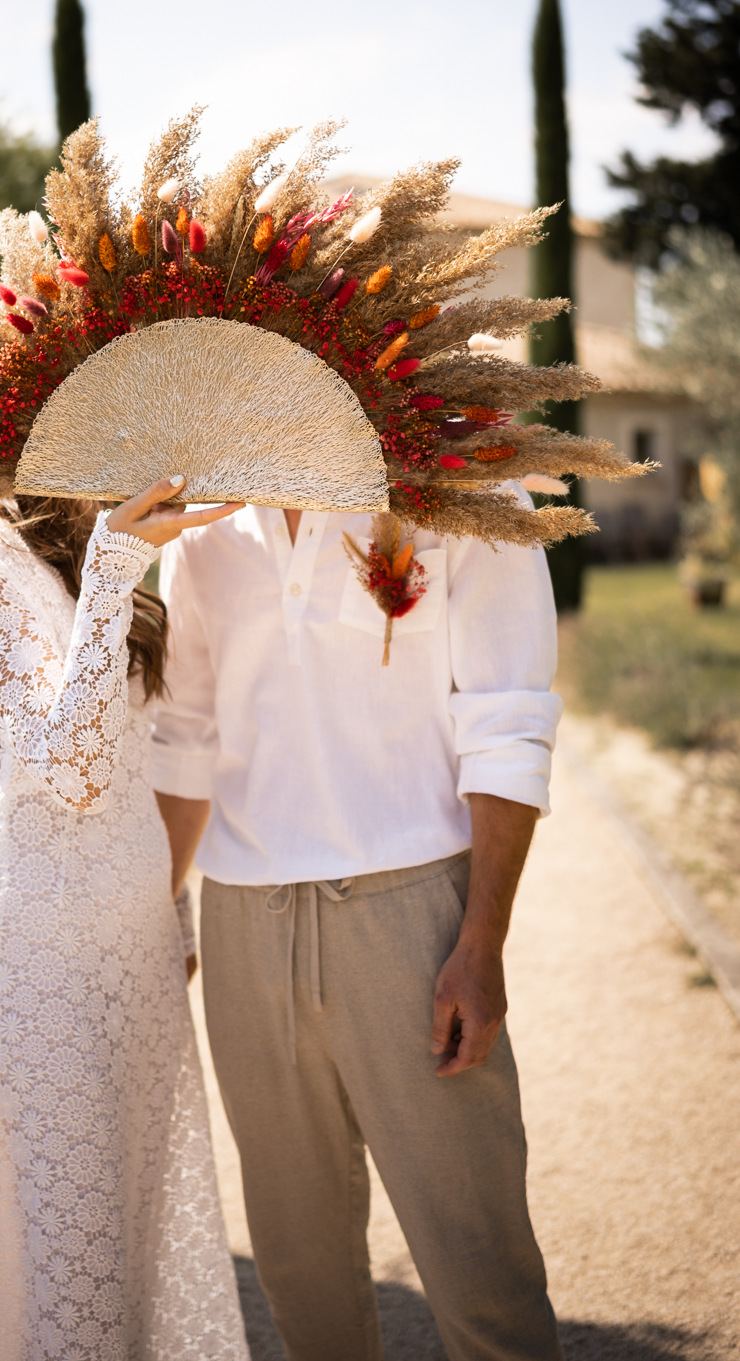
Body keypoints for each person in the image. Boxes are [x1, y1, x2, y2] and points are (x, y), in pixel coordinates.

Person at [152, 498, 565, 1361]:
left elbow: (507, 720)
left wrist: (481, 942)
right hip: (243, 924)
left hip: (408, 919)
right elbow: (186, 733)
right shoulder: (200, 523)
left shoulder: (459, 484)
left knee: (477, 1258)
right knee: (298, 1268)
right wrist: (164, 909)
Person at [0, 477, 250, 1361]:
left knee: (131, 1223)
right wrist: (111, 573)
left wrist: (171, 908)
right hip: (44, 946)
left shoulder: (86, 542)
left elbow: (136, 761)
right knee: (69, 1240)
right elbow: (75, 773)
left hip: (134, 939)